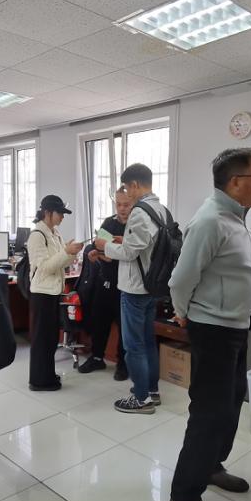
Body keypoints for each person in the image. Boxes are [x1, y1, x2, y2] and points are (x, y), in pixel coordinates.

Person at [166, 148, 251, 501]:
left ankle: (210, 466)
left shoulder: (234, 218)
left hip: (234, 327)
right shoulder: (210, 220)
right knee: (209, 412)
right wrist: (183, 313)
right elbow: (180, 279)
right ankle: (184, 496)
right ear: (237, 182)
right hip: (214, 329)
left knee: (231, 402)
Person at [94, 163, 167, 414]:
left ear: (135, 184)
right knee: (147, 342)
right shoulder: (161, 210)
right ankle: (152, 391)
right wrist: (124, 240)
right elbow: (146, 245)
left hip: (135, 288)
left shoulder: (139, 211)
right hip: (153, 286)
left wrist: (104, 245)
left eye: (126, 188)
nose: (127, 193)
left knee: (133, 345)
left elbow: (129, 253)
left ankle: (140, 398)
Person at [26, 195, 83, 391]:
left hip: (53, 292)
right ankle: (39, 381)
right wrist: (66, 252)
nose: (62, 217)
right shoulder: (37, 235)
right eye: (60, 213)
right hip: (42, 293)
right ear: (48, 212)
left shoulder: (55, 233)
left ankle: (48, 374)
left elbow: (61, 262)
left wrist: (72, 253)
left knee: (50, 338)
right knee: (41, 339)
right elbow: (45, 267)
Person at [79, 188, 132, 379]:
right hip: (105, 281)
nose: (122, 208)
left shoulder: (135, 227)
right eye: (118, 204)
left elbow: (130, 254)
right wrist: (96, 254)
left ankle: (123, 364)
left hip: (125, 285)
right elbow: (99, 247)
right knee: (99, 321)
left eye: (126, 205)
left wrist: (109, 253)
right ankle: (97, 357)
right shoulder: (109, 223)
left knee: (124, 327)